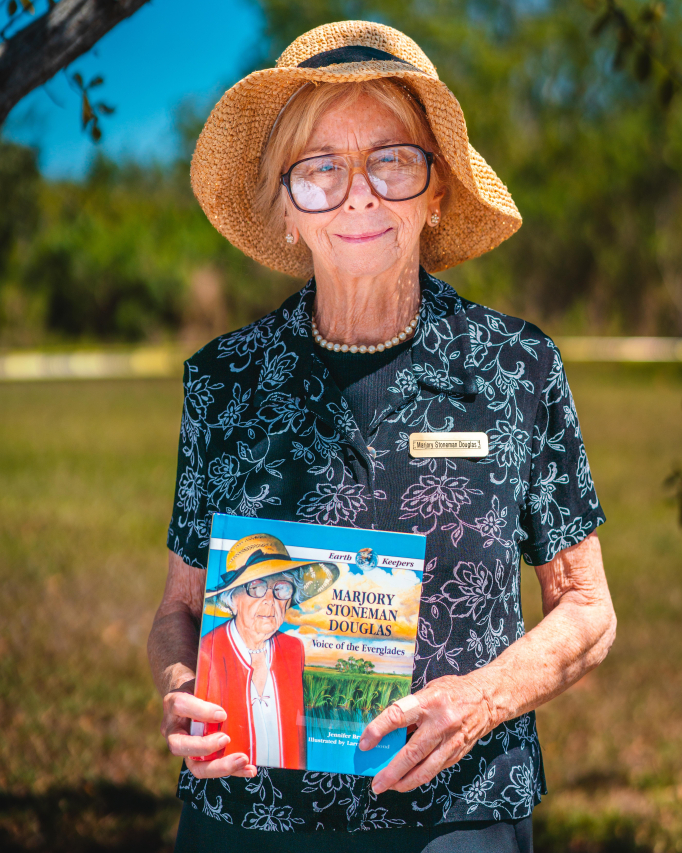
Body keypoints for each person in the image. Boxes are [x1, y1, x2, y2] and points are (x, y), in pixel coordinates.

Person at [147, 20, 616, 853]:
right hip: (250, 817)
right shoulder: (222, 382)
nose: (358, 192)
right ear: (288, 209)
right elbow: (182, 609)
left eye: (391, 159)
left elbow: (588, 609)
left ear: (437, 190)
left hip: (459, 812)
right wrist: (182, 687)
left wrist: (479, 700)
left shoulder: (518, 368)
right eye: (320, 168)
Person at [196, 532, 339, 769]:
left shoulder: (294, 648)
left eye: (281, 588)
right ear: (233, 598)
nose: (270, 600)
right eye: (256, 587)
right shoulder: (209, 649)